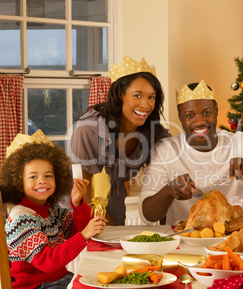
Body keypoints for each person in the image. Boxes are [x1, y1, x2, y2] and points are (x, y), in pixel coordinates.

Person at [139, 80, 243, 225]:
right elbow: (146, 216)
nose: (199, 122)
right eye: (190, 115)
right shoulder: (165, 149)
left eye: (206, 112)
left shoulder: (241, 142)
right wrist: (169, 190)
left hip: (231, 239)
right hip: (184, 243)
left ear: (216, 110)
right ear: (180, 117)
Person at [0, 130, 106, 289]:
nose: (42, 181)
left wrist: (77, 202)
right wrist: (84, 234)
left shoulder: (50, 210)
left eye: (48, 175)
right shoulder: (21, 217)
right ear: (18, 182)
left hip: (56, 280)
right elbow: (47, 261)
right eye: (33, 176)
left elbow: (76, 229)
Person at [67, 56, 170, 226]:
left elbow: (179, 150)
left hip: (115, 213)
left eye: (151, 97)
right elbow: (85, 192)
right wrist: (112, 233)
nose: (145, 105)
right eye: (137, 95)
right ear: (119, 94)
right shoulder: (88, 130)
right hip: (79, 220)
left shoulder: (151, 131)